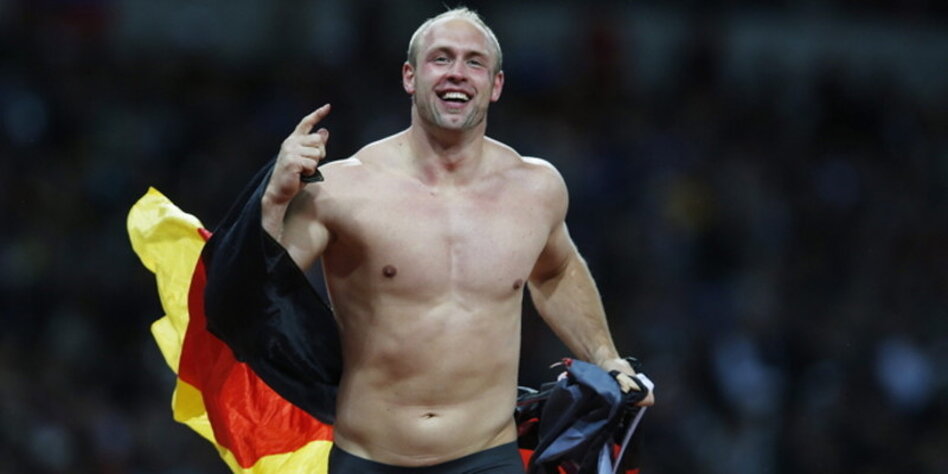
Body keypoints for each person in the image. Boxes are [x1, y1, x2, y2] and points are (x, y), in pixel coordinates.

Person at [257, 7, 654, 473]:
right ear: (410, 77)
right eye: (441, 58)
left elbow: (558, 270)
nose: (457, 74)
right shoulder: (340, 189)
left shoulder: (536, 189)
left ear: (496, 85)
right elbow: (257, 298)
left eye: (474, 62)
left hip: (488, 457)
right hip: (369, 457)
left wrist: (607, 358)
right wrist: (273, 203)